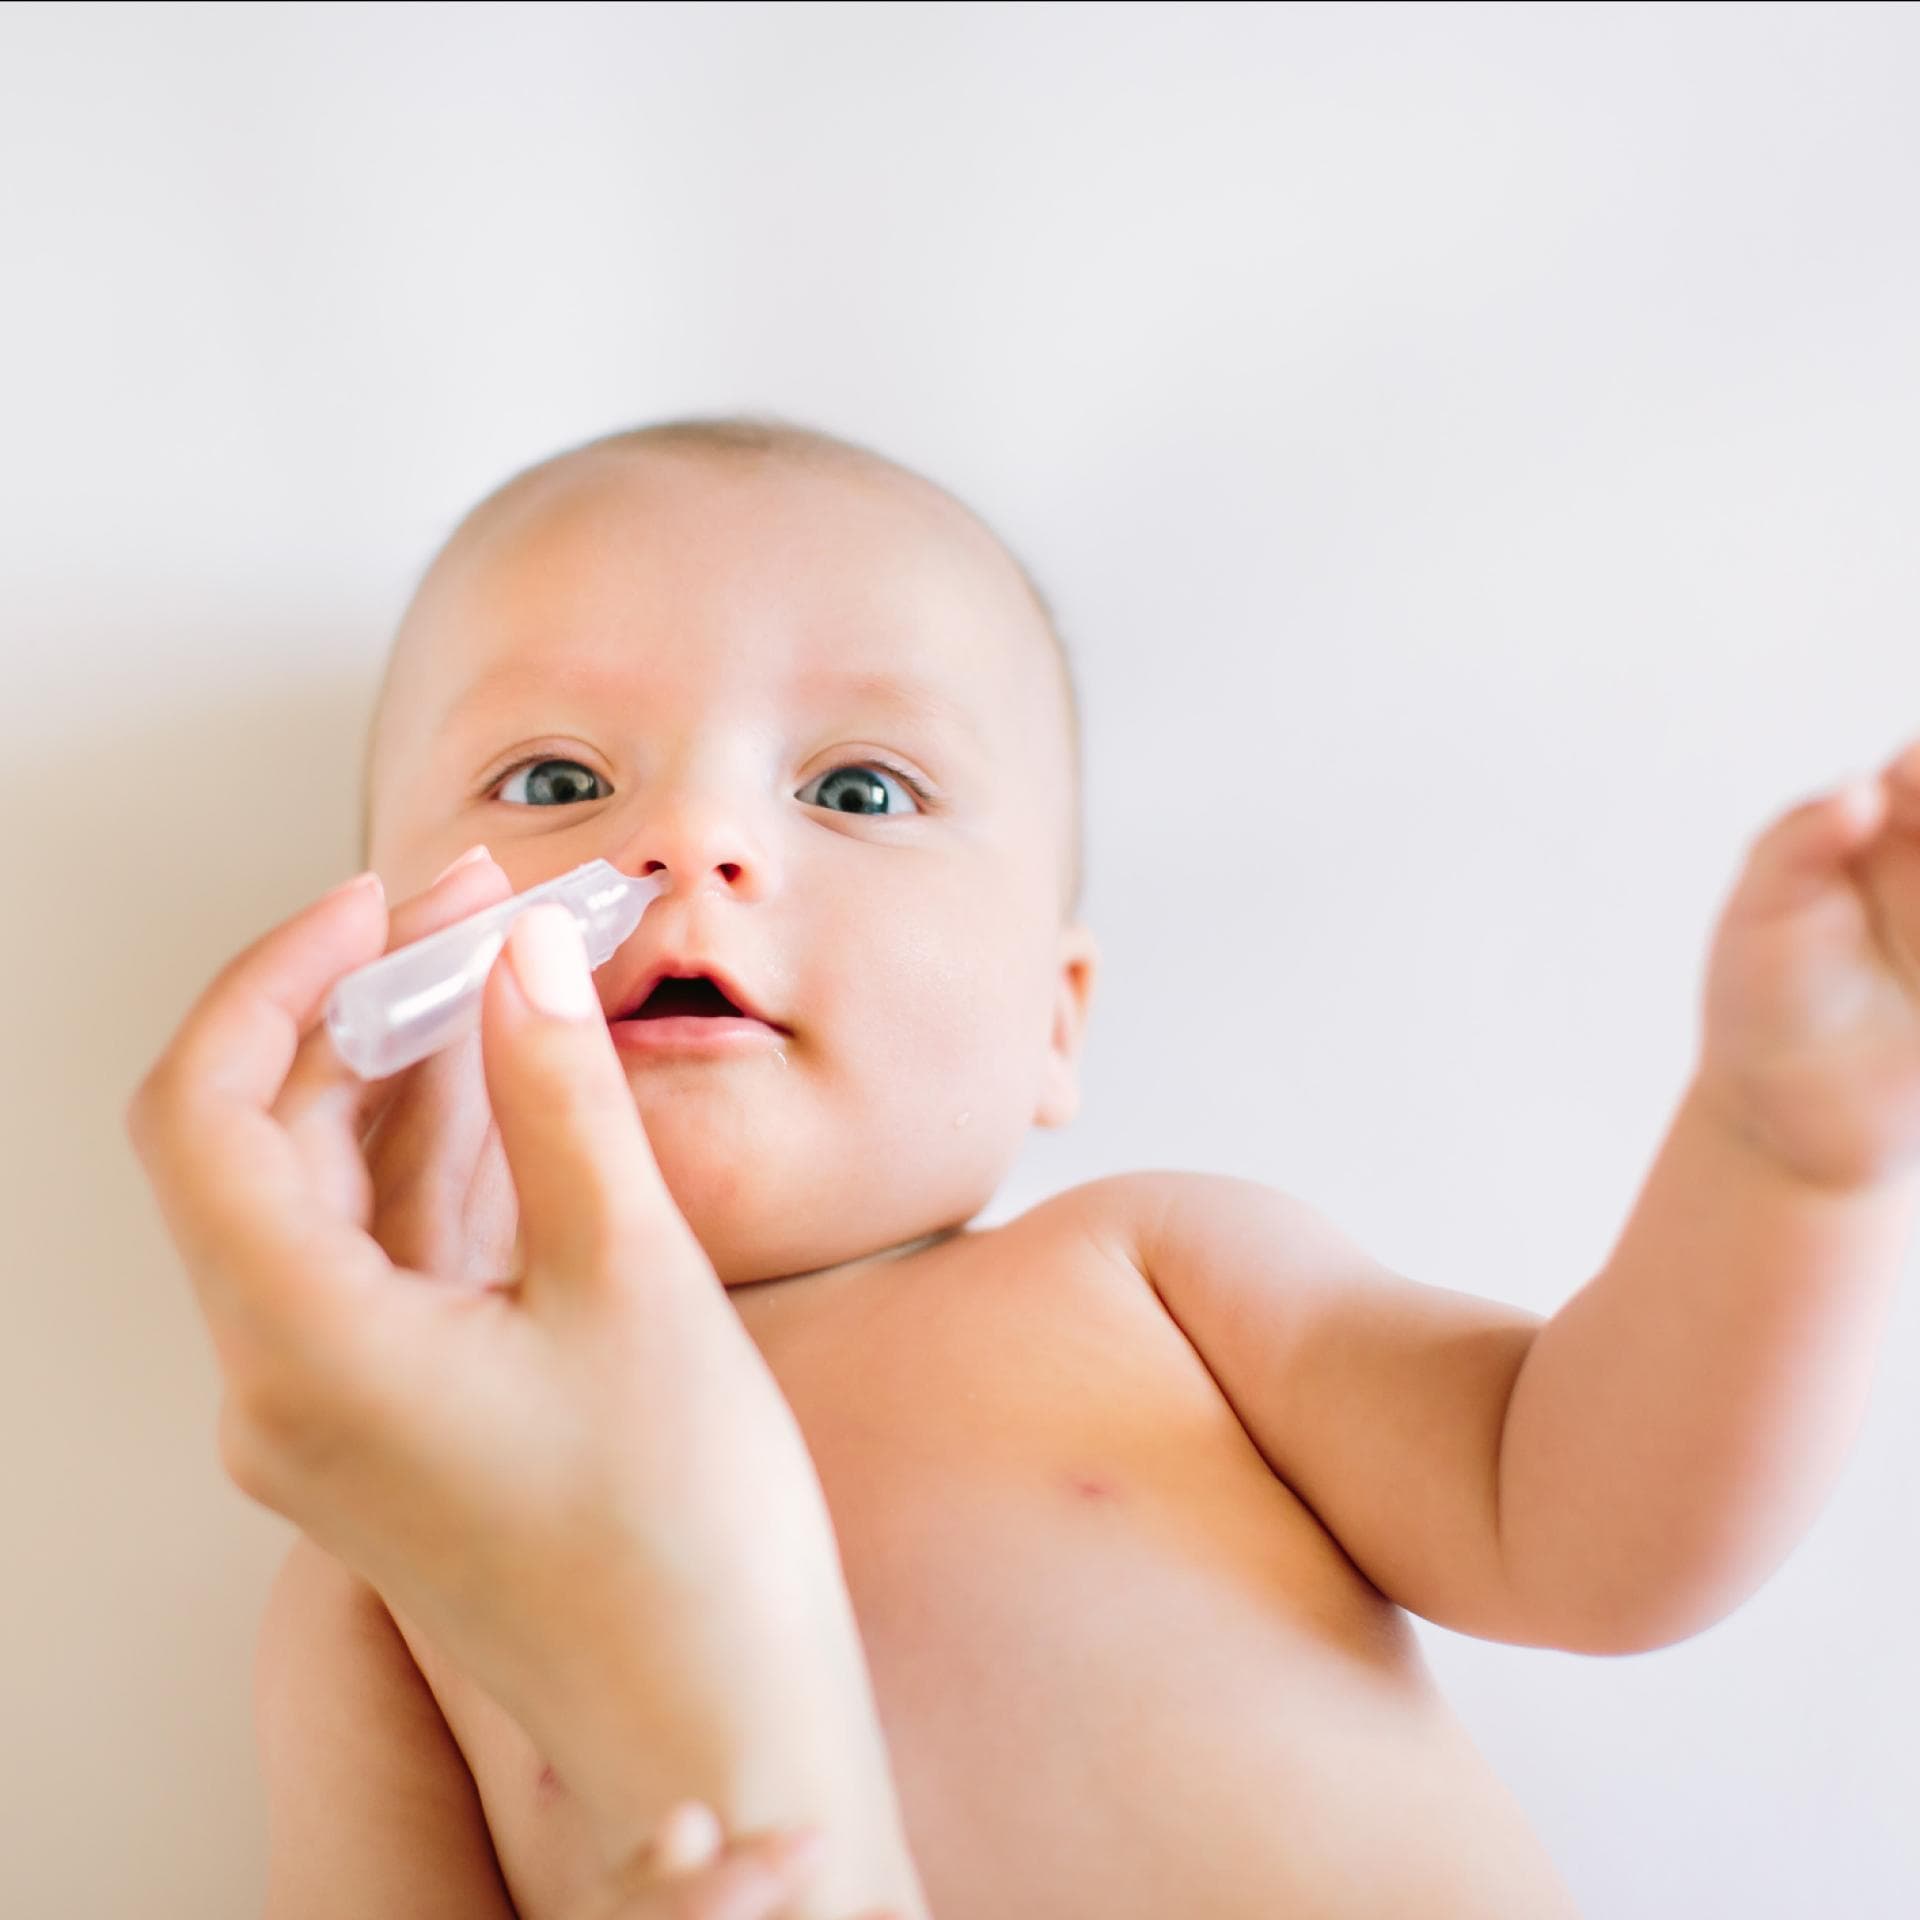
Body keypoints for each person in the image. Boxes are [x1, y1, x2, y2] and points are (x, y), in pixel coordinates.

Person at [127, 416, 1920, 1919]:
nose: (689, 838)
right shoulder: (394, 1562)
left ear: (1052, 1022)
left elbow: (1597, 1530)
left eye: (859, 789)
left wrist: (1780, 1156)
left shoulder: (1148, 1282)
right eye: (550, 777)